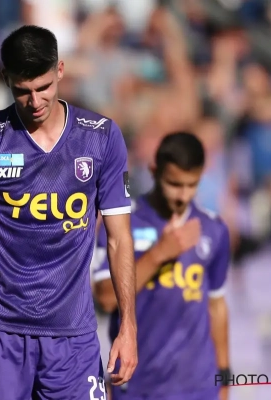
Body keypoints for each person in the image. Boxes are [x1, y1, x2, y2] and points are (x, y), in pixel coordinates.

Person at [0, 25, 138, 399]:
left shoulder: (101, 137)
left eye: (44, 87)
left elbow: (119, 239)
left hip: (73, 335)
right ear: (6, 79)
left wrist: (128, 327)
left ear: (60, 70)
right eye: (23, 91)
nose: (35, 101)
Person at [94, 132, 231, 400]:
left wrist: (224, 375)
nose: (183, 196)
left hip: (198, 387)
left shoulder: (213, 229)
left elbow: (217, 306)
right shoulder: (123, 223)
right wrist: (159, 254)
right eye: (174, 184)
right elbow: (107, 299)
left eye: (191, 185)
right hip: (138, 384)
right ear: (154, 171)